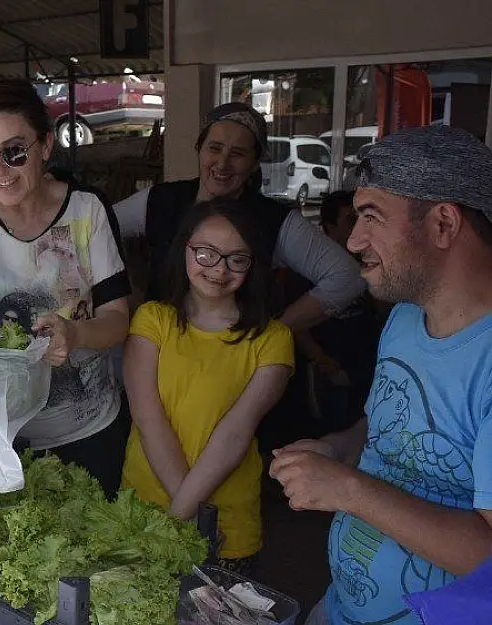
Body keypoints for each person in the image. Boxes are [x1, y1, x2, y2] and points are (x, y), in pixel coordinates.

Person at [270, 125, 492, 625]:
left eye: (371, 217)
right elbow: (389, 424)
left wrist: (347, 489)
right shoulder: (405, 318)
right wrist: (339, 448)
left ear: (443, 224)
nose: (352, 241)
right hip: (339, 608)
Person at [0, 79, 131, 495]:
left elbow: (117, 319)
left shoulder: (87, 210)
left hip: (87, 429)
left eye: (14, 152)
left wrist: (74, 334)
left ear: (46, 146)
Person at [122, 199, 294, 574]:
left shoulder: (273, 339)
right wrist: (185, 521)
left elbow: (234, 435)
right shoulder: (152, 319)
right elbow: (148, 420)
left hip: (225, 529)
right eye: (206, 253)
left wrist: (181, 520)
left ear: (254, 265)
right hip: (144, 516)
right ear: (185, 249)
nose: (219, 269)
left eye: (237, 258)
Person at [113, 102, 365, 333]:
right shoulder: (160, 200)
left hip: (236, 365)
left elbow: (348, 277)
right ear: (199, 149)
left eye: (237, 153)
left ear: (255, 163)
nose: (222, 163)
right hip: (160, 354)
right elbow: (93, 229)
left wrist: (272, 334)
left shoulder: (274, 220)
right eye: (215, 148)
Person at [290, 191, 382, 433]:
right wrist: (324, 361)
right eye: (351, 220)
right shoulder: (307, 271)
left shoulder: (370, 264)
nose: (360, 229)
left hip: (367, 367)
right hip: (331, 368)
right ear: (329, 227)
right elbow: (296, 327)